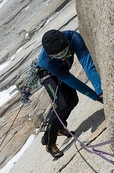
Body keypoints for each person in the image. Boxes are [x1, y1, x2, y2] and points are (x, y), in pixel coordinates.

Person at [37, 29, 103, 158]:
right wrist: (95, 97)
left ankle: (60, 127)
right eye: (57, 56)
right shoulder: (48, 61)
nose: (62, 57)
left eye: (64, 52)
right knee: (61, 104)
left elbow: (88, 65)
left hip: (60, 70)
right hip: (46, 73)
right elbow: (72, 81)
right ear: (51, 55)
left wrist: (99, 91)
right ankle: (49, 142)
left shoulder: (74, 38)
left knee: (73, 100)